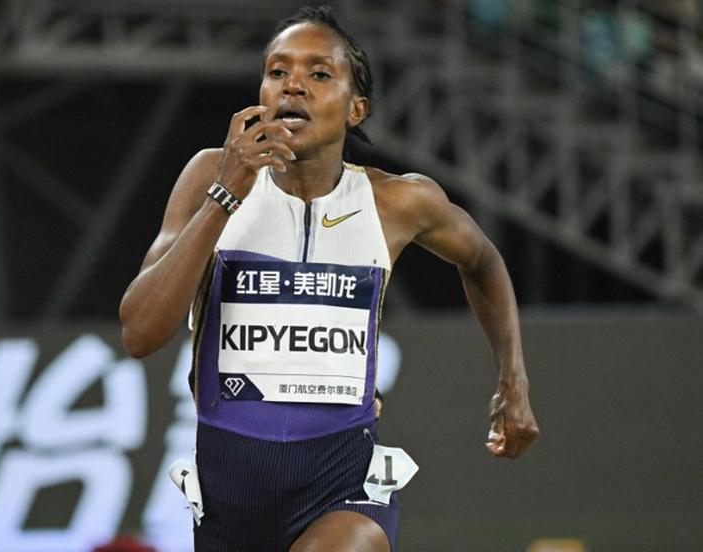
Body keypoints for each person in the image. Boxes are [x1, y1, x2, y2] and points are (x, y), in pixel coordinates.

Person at [119, 5, 539, 551]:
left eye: (319, 74)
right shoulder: (208, 177)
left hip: (343, 481)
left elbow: (482, 260)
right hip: (229, 498)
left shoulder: (397, 201)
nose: (294, 85)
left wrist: (513, 378)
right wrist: (225, 195)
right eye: (277, 71)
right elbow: (141, 333)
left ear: (355, 109)